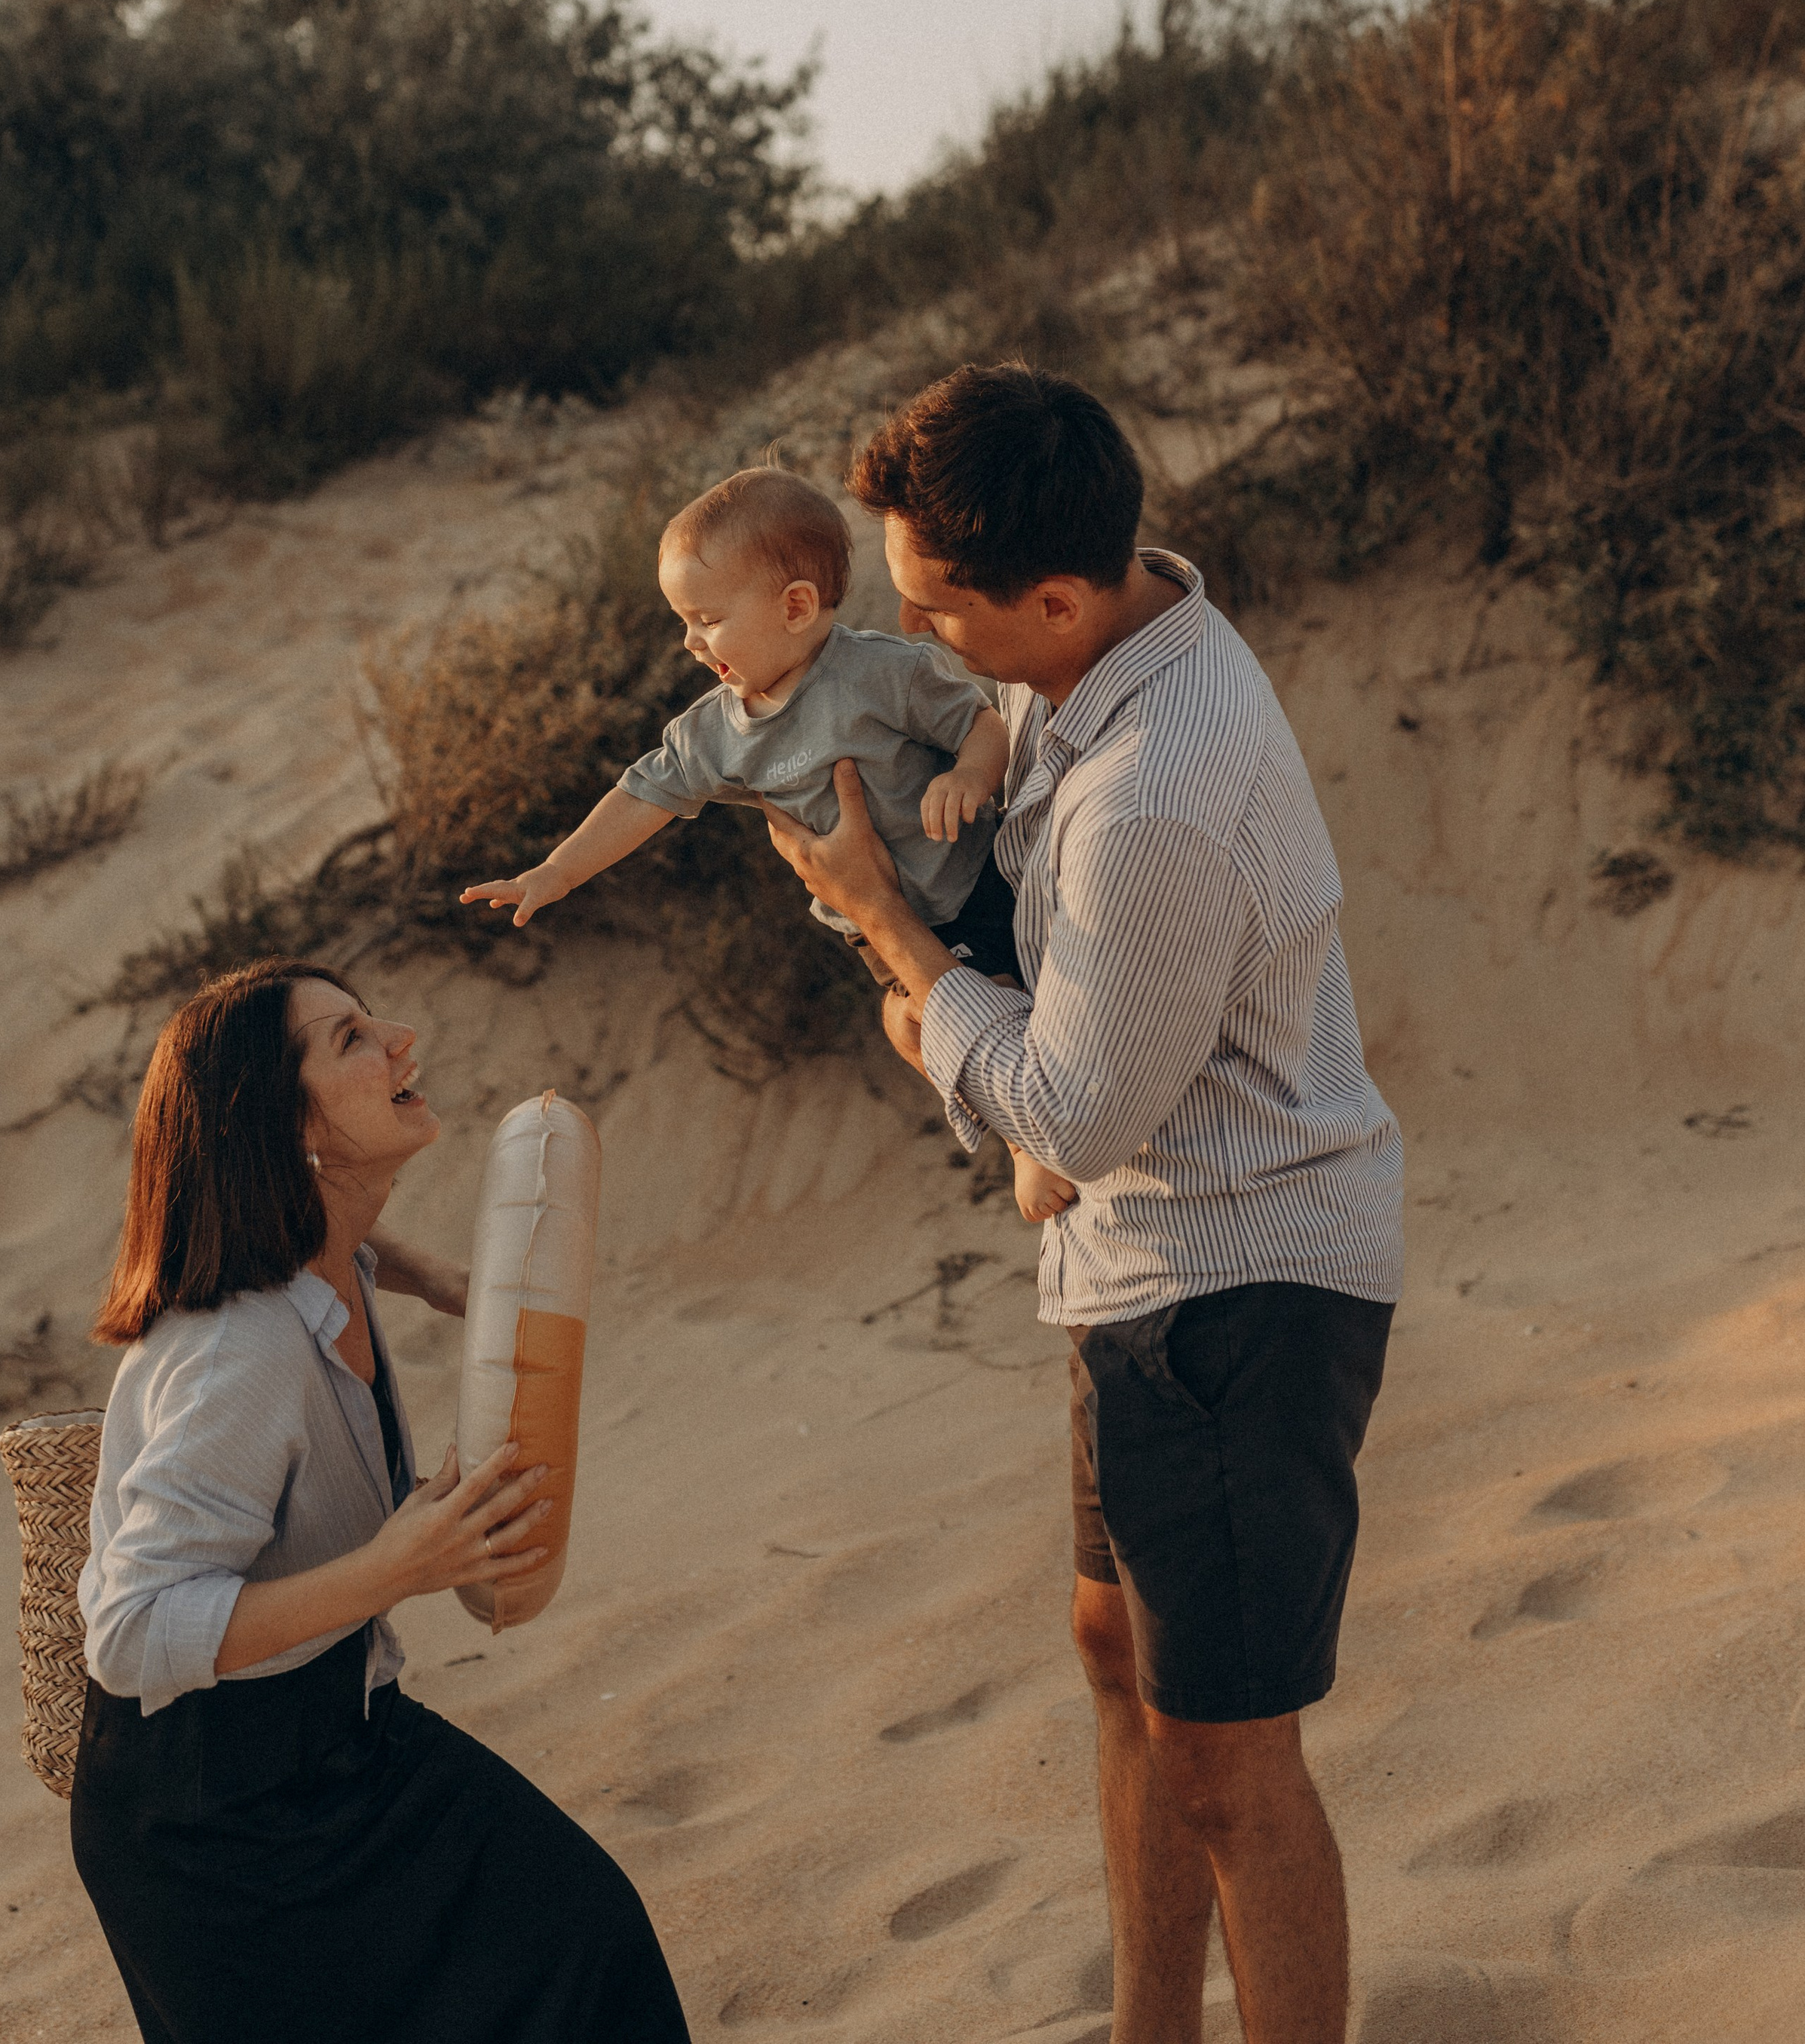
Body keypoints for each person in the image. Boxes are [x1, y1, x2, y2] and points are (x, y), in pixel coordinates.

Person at [759, 365, 1404, 2044]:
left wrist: (890, 939)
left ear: (1051, 596)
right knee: (1110, 1650)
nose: (911, 640)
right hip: (1129, 1277)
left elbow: (1073, 1108)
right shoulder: (1121, 613)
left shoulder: (1155, 798)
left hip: (1233, 1292)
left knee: (1229, 1762)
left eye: (930, 612)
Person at [72, 957, 692, 2044]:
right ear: (280, 1121)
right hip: (212, 1822)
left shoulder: (325, 1251)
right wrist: (392, 1572)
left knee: (583, 1942)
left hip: (341, 1736)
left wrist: (459, 1284)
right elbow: (129, 1632)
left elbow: (357, 1241)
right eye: (351, 1039)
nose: (403, 1038)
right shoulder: (238, 1359)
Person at [461, 464, 1075, 1227]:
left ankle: (1031, 1142)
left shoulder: (883, 672)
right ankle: (1016, 1137)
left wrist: (968, 779)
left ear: (795, 606)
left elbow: (980, 724)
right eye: (683, 621)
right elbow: (642, 795)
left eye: (707, 619)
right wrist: (555, 872)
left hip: (968, 889)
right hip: (876, 937)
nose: (689, 641)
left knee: (1000, 1005)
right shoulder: (717, 730)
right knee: (916, 1028)